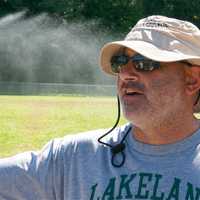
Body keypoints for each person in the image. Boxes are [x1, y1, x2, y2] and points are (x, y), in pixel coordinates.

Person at [1, 15, 200, 200]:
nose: (125, 75)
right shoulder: (72, 158)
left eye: (144, 63)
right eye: (120, 62)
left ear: (192, 80)